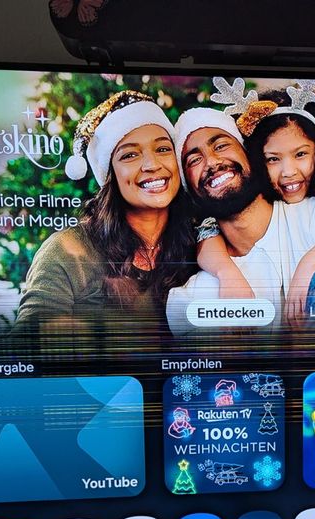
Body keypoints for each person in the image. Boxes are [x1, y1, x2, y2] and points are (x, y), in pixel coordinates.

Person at [165, 98, 315, 336]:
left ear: (251, 156)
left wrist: (311, 265)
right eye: (194, 160)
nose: (211, 161)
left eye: (221, 146)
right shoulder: (208, 286)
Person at [13, 90, 197, 337]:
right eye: (130, 155)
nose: (152, 164)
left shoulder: (200, 244)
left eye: (163, 149)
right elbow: (26, 343)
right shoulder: (68, 250)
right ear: (110, 175)